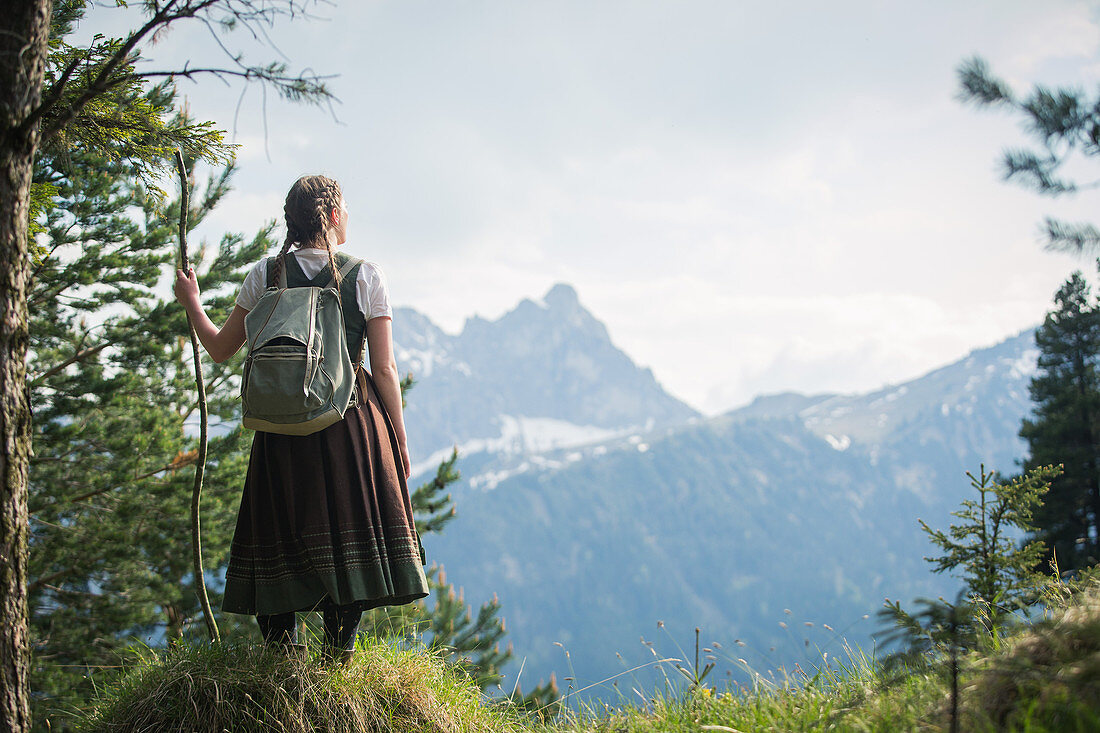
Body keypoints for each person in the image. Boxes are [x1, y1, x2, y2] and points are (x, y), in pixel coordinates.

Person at [173, 174, 428, 661]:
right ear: (332, 217)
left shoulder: (264, 275)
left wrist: (192, 302)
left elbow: (221, 349)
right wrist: (397, 437)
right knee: (344, 538)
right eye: (345, 209)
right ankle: (337, 660)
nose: (348, 216)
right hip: (348, 428)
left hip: (279, 430)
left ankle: (283, 664)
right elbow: (384, 368)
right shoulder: (365, 276)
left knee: (277, 539)